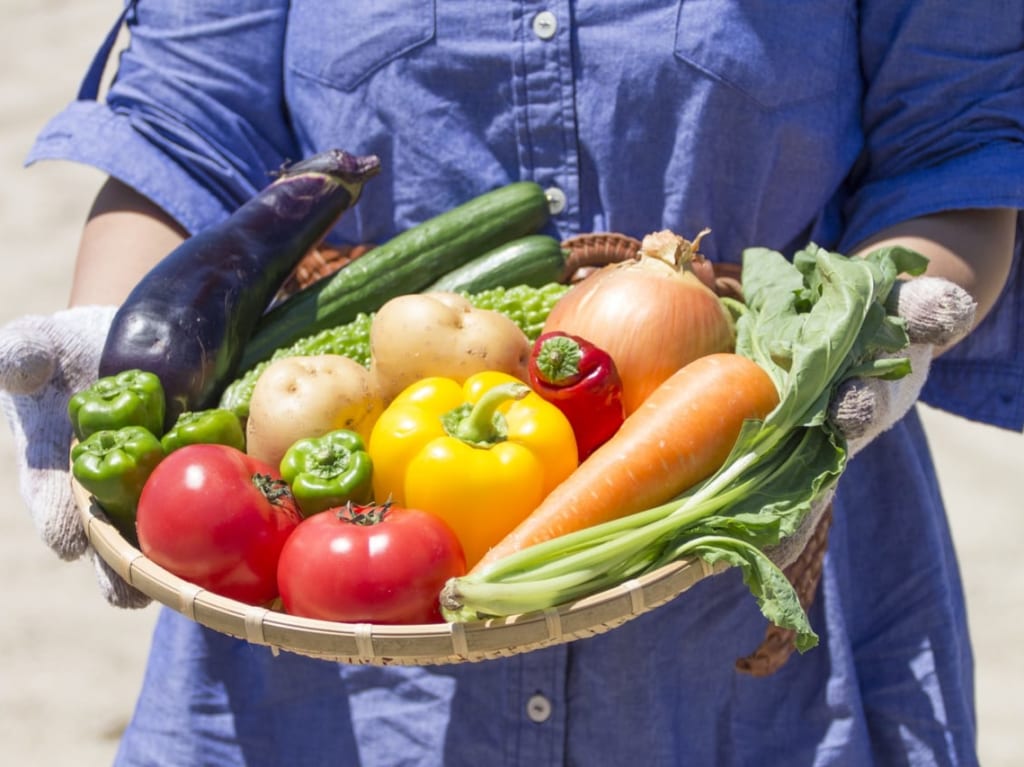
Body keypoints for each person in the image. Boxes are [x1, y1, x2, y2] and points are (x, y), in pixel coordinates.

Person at [1, 1, 1021, 764]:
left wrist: (871, 326)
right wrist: (120, 338)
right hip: (324, 600)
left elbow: (954, 145)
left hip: (750, 506)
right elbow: (180, 130)